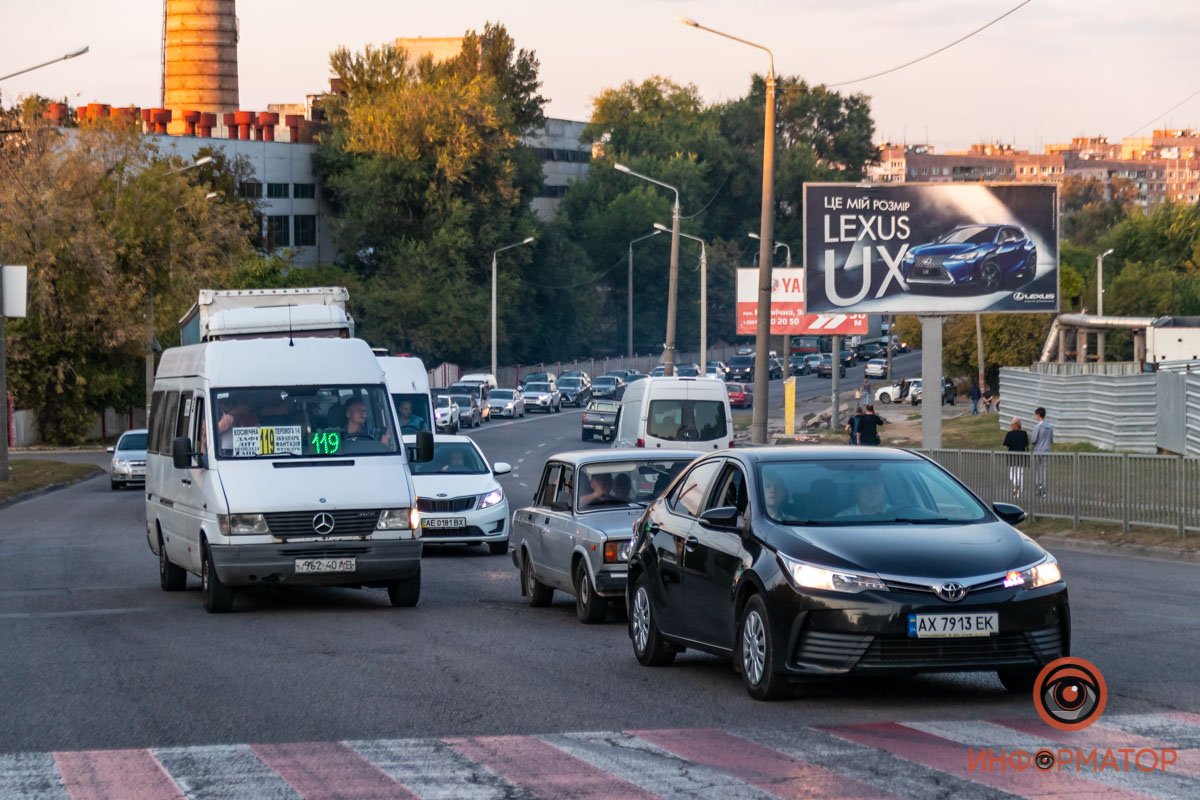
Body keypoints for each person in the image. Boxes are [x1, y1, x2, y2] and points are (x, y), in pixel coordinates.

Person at [1030, 406, 1055, 498]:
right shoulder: (1050, 427)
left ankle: (1037, 488)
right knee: (1044, 471)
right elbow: (1051, 440)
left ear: (1038, 415)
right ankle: (1043, 489)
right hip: (1047, 450)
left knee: (1037, 470)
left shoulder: (1038, 427)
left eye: (1036, 415)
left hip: (1038, 451)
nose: (1035, 417)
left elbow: (1033, 440)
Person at [1003, 417, 1030, 497]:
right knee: (1020, 474)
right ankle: (1019, 491)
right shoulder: (1024, 433)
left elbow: (1005, 445)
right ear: (1020, 425)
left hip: (1011, 457)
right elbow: (1026, 445)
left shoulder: (1009, 434)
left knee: (1012, 473)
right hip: (1021, 457)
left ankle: (1015, 484)